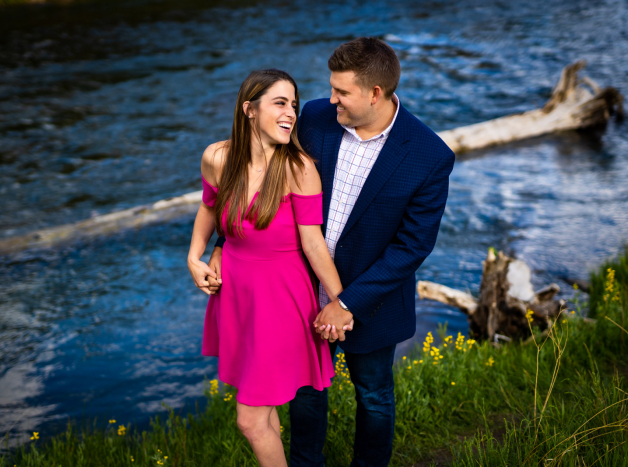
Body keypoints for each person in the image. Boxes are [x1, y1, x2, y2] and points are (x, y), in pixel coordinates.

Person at [206, 38, 455, 467]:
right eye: (331, 88)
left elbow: (412, 247)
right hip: (296, 287)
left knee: (374, 393)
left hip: (371, 298)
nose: (330, 98)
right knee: (305, 393)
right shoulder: (318, 117)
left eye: (342, 91)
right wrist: (223, 244)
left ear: (375, 94)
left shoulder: (429, 156)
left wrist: (346, 303)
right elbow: (259, 181)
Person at [187, 68, 353, 467]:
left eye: (293, 105)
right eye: (280, 103)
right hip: (238, 294)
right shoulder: (217, 157)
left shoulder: (298, 167)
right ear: (249, 109)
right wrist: (195, 255)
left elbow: (313, 244)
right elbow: (209, 206)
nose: (291, 113)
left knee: (249, 420)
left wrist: (341, 301)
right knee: (264, 410)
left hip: (281, 298)